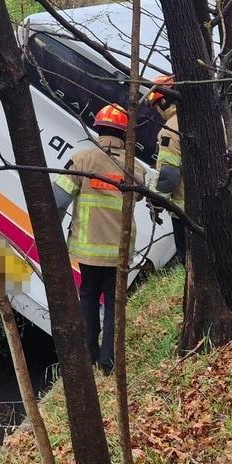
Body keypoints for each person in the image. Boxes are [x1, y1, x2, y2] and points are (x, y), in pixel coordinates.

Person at [51, 104, 148, 374]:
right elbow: (142, 195)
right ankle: (109, 362)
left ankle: (89, 353)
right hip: (119, 251)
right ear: (126, 133)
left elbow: (58, 200)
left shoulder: (83, 160)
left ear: (99, 129)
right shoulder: (134, 169)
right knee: (115, 303)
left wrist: (54, 236)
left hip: (88, 250)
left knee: (89, 297)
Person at [146, 74, 186, 264]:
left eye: (155, 106)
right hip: (219, 201)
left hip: (185, 209)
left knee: (188, 259)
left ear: (163, 101)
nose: (157, 111)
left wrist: (157, 202)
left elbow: (169, 176)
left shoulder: (170, 129)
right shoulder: (208, 118)